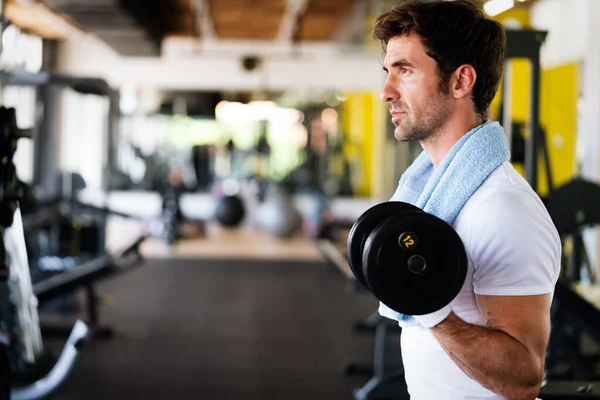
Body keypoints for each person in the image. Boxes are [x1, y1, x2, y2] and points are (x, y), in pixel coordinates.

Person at [373, 1, 561, 399]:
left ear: (461, 82)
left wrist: (431, 307)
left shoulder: (502, 207)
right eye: (388, 72)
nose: (386, 91)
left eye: (404, 71)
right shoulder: (428, 193)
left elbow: (523, 376)